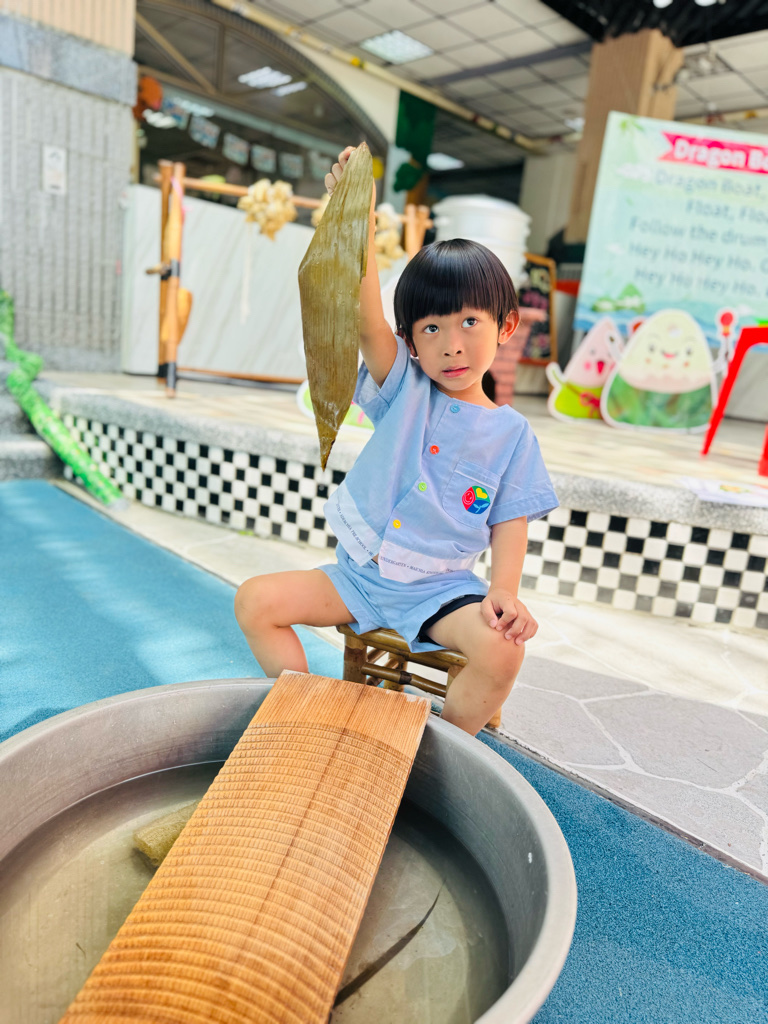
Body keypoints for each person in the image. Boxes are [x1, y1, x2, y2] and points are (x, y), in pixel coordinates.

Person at [235, 146, 558, 735]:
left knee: (504, 651)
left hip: (442, 592)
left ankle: (442, 747)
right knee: (255, 601)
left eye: (470, 322)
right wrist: (356, 215)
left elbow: (510, 521)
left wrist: (504, 591)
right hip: (359, 579)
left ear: (506, 326)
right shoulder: (402, 387)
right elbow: (366, 320)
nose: (451, 345)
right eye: (431, 328)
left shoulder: (512, 434)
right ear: (410, 341)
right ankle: (301, 712)